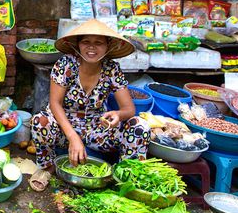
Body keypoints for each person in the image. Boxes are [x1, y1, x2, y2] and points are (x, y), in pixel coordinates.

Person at [30, 19, 150, 170]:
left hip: (96, 130)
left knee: (140, 126)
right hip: (64, 129)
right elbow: (55, 103)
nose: (91, 47)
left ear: (108, 46)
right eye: (86, 42)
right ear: (78, 45)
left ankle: (127, 176)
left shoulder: (111, 69)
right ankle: (48, 170)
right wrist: (73, 137)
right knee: (40, 121)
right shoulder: (66, 64)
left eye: (98, 43)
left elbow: (129, 109)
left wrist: (118, 115)